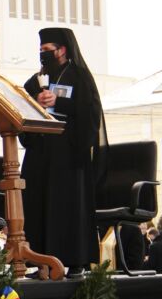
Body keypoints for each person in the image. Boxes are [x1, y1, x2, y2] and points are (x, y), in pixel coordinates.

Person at [21, 27, 106, 278]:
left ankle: (75, 261)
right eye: (40, 51)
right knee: (39, 204)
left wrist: (60, 102)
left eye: (47, 50)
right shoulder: (36, 80)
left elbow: (90, 113)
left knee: (68, 207)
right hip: (41, 154)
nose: (43, 55)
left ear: (62, 50)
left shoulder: (79, 76)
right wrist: (34, 101)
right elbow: (24, 105)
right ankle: (43, 263)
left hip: (69, 154)